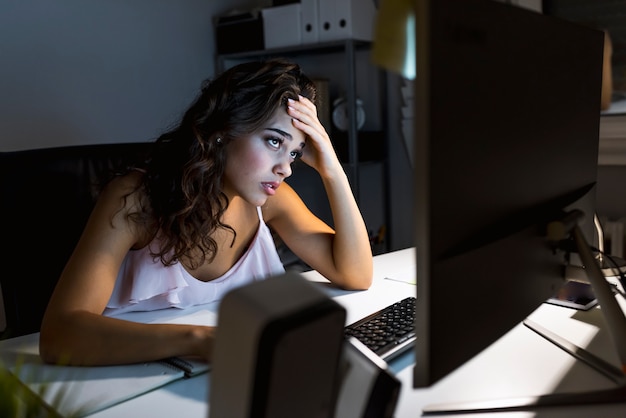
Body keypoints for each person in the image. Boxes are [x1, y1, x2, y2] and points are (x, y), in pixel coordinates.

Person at [39, 59, 373, 366]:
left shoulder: (271, 199)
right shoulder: (135, 199)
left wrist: (333, 170)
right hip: (111, 385)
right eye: (274, 142)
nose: (285, 168)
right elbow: (58, 336)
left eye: (295, 154)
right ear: (222, 132)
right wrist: (198, 341)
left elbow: (356, 274)